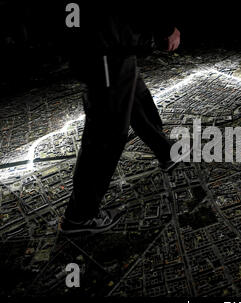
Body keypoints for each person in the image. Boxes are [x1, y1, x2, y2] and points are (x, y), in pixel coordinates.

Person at [59, 2, 180, 234]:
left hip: (110, 42)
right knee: (106, 134)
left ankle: (165, 151)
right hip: (105, 45)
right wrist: (165, 29)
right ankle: (79, 215)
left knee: (136, 97)